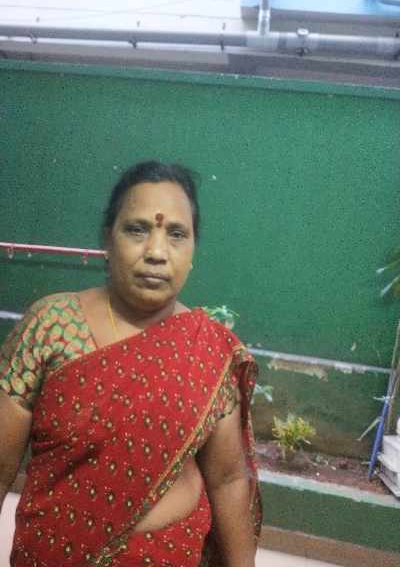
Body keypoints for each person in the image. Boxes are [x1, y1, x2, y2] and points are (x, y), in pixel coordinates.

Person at [0, 161, 261, 567]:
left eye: (177, 234)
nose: (156, 253)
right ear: (108, 238)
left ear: (193, 248)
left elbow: (228, 479)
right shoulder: (51, 326)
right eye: (137, 230)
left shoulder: (209, 350)